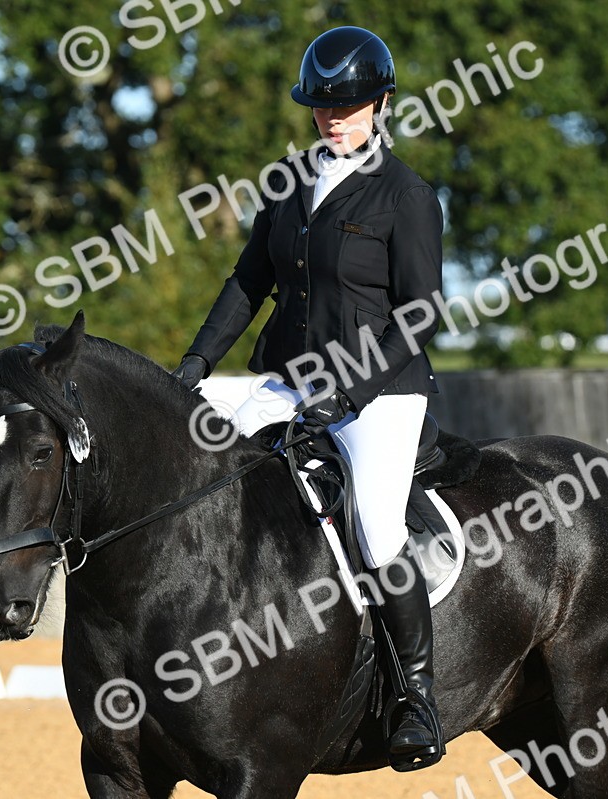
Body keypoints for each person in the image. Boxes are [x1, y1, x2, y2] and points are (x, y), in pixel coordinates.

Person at [170, 25, 445, 769]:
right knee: (209, 475)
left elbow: (421, 314)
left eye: (350, 105)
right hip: (287, 381)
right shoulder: (289, 182)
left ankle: (416, 695)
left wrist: (347, 392)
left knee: (376, 523)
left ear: (381, 103)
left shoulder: (406, 195)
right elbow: (247, 282)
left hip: (379, 393)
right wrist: (195, 363)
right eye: (323, 105)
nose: (334, 117)